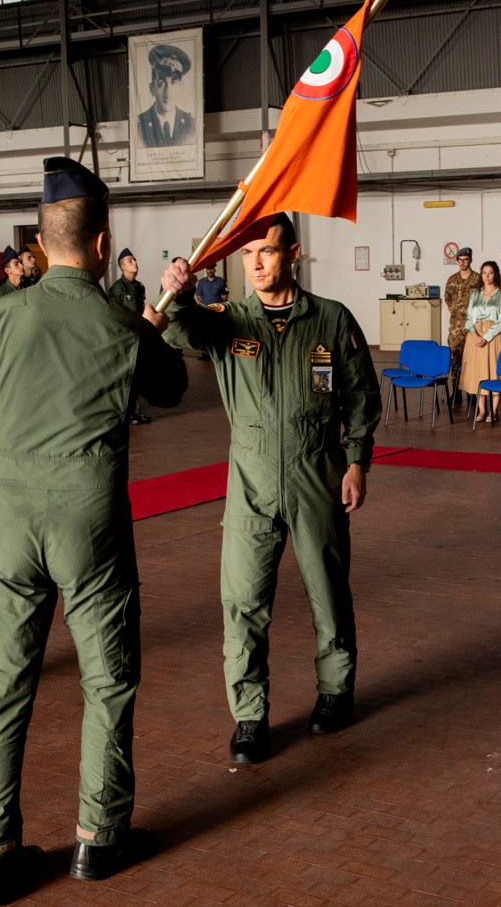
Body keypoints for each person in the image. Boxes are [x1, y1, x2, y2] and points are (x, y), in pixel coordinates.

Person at [0, 157, 187, 906]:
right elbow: (168, 387)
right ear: (102, 245)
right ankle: (99, 841)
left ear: (39, 245)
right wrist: (158, 312)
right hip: (91, 520)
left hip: (6, 520)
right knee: (107, 682)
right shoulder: (117, 322)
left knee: (4, 690)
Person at [153, 212, 380, 765]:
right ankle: (250, 716)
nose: (255, 263)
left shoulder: (329, 320)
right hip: (250, 482)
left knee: (328, 591)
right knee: (244, 601)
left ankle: (334, 690)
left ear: (294, 255)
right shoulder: (229, 322)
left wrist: (356, 462)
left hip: (317, 474)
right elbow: (180, 329)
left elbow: (361, 397)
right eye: (248, 253)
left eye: (268, 252)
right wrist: (177, 293)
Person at [460, 261, 501, 423]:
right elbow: (468, 319)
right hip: (474, 337)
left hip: (493, 338)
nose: (487, 276)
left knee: (494, 372)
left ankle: (494, 411)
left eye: (490, 272)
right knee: (478, 373)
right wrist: (476, 336)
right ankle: (481, 410)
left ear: (495, 274)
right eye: (484, 273)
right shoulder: (475, 295)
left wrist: (486, 337)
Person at [107, 249, 152, 426]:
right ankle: (127, 411)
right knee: (127, 376)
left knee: (137, 374)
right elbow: (114, 314)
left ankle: (135, 410)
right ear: (122, 267)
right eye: (129, 261)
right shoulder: (118, 288)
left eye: (134, 259)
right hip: (125, 337)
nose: (134, 262)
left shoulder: (139, 286)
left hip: (138, 335)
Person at [136, 44, 196, 147]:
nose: (168, 93)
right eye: (161, 84)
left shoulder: (192, 124)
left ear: (180, 87)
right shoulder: (139, 126)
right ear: (152, 89)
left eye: (173, 82)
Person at [443, 247, 480, 377]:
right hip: (456, 327)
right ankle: (456, 393)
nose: (463, 263)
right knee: (456, 360)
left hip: (474, 326)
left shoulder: (478, 279)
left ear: (470, 261)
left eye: (466, 260)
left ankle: (472, 393)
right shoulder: (452, 279)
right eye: (460, 260)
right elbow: (447, 298)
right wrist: (456, 310)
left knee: (473, 359)